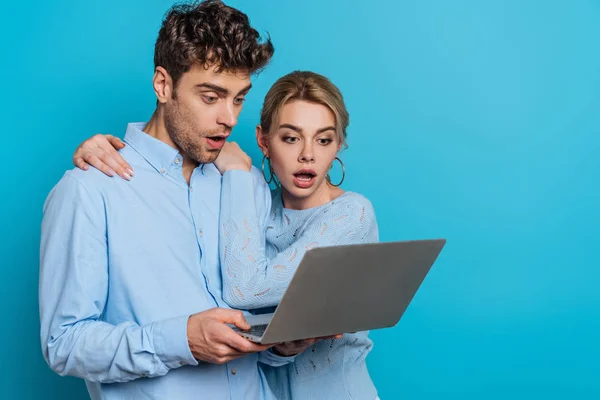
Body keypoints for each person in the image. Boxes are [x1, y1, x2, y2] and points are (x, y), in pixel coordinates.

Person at [39, 2, 317, 399]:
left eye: (238, 99)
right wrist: (180, 339)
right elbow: (62, 344)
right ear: (163, 85)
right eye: (211, 97)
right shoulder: (90, 190)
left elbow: (250, 325)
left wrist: (281, 347)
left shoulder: (244, 183)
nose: (229, 118)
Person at [73, 71, 381, 399]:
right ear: (263, 141)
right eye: (291, 138)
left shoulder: (351, 215)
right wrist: (114, 150)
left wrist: (235, 172)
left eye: (324, 139)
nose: (308, 154)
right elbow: (249, 328)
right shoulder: (255, 205)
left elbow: (246, 290)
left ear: (339, 146)